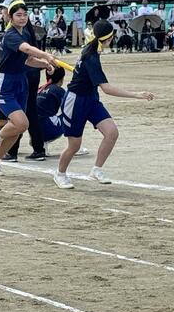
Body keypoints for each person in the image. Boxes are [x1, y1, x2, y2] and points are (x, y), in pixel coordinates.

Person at [54, 19, 154, 189]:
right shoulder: (91, 56)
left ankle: (97, 169)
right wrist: (137, 94)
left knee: (111, 132)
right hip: (75, 101)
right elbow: (106, 89)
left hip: (91, 98)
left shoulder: (92, 49)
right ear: (108, 38)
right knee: (74, 145)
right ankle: (60, 173)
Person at [0, 0, 56, 176]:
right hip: (6, 85)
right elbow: (27, 49)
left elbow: (28, 60)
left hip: (21, 83)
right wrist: (46, 55)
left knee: (18, 130)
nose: (23, 18)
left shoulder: (24, 33)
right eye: (18, 15)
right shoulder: (11, 34)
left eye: (25, 15)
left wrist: (44, 64)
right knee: (22, 123)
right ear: (10, 17)